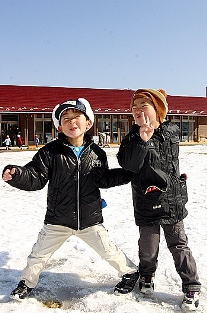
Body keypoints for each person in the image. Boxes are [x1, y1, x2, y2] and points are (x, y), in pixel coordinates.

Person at [2, 98, 138, 301]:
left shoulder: (97, 153)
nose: (72, 122)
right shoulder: (50, 152)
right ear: (59, 126)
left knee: (109, 251)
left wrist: (130, 173)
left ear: (88, 123)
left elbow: (104, 178)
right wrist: (17, 174)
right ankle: (26, 283)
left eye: (77, 118)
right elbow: (36, 177)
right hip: (58, 219)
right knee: (37, 256)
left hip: (90, 218)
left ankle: (130, 273)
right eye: (66, 119)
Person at [116, 89, 201, 310]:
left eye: (144, 105)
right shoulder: (132, 138)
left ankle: (191, 286)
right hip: (147, 201)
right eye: (134, 107)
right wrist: (142, 140)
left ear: (158, 110)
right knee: (148, 247)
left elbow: (170, 163)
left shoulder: (171, 132)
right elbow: (129, 165)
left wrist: (179, 180)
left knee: (179, 246)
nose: (137, 110)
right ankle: (146, 276)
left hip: (172, 201)